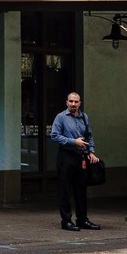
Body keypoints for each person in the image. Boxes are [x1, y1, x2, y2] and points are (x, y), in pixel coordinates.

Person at [48, 91, 102, 230]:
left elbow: (89, 135)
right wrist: (73, 142)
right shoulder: (60, 117)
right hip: (66, 155)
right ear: (66, 102)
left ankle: (82, 219)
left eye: (76, 102)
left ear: (80, 103)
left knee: (81, 189)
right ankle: (66, 221)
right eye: (71, 101)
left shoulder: (84, 117)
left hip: (81, 156)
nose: (73, 104)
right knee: (65, 189)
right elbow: (54, 136)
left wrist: (91, 151)